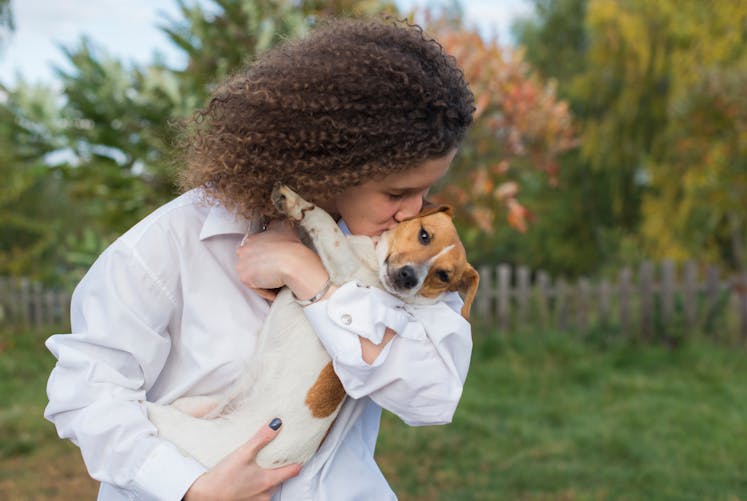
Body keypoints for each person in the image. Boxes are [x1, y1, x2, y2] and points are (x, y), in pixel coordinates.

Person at [44, 17, 475, 501]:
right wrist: (191, 487)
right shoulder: (170, 243)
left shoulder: (399, 259)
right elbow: (86, 391)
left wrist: (314, 283)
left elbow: (433, 394)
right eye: (397, 191)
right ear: (337, 161)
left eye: (425, 190)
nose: (415, 210)